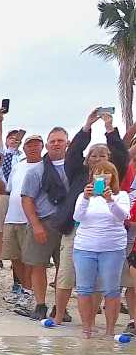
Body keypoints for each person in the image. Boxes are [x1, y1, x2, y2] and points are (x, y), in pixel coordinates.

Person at [50, 109, 129, 325]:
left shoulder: (115, 175)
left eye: (102, 156)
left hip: (105, 236)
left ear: (110, 159)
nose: (97, 159)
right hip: (75, 229)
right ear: (87, 160)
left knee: (95, 282)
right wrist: (87, 126)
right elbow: (74, 152)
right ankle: (58, 316)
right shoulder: (78, 172)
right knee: (66, 275)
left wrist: (109, 128)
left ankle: (92, 322)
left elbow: (122, 154)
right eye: (93, 156)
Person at [71, 160, 131, 338]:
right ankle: (87, 329)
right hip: (85, 247)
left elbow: (123, 216)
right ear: (93, 176)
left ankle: (110, 330)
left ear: (113, 176)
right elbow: (77, 217)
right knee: (84, 289)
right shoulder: (83, 196)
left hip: (112, 248)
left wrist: (110, 200)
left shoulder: (122, 196)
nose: (103, 176)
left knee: (111, 289)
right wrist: (86, 199)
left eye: (107, 173)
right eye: (99, 173)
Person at [17, 128, 70, 321]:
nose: (56, 144)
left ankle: (61, 306)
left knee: (63, 268)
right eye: (53, 141)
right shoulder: (36, 170)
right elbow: (27, 199)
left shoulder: (75, 168)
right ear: (47, 145)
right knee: (38, 265)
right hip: (43, 222)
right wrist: (36, 225)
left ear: (67, 143)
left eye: (60, 140)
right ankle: (40, 304)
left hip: (68, 224)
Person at [2, 134, 45, 306]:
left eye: (36, 145)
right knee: (14, 257)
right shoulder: (18, 166)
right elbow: (10, 189)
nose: (33, 148)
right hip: (11, 217)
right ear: (24, 148)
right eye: (29, 145)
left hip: (30, 219)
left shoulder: (45, 166)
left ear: (42, 147)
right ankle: (22, 288)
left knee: (29, 259)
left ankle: (28, 291)